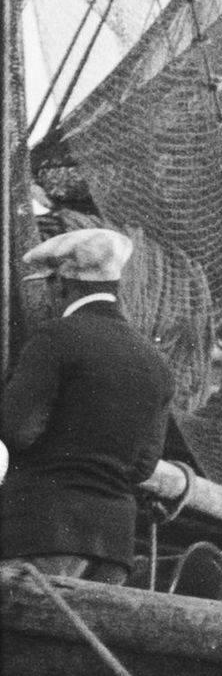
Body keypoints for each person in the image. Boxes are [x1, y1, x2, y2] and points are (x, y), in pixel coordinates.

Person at [3, 229, 175, 584]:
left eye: (48, 286)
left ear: (62, 285)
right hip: (113, 549)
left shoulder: (55, 339)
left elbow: (18, 431)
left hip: (42, 534)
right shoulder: (154, 362)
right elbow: (143, 467)